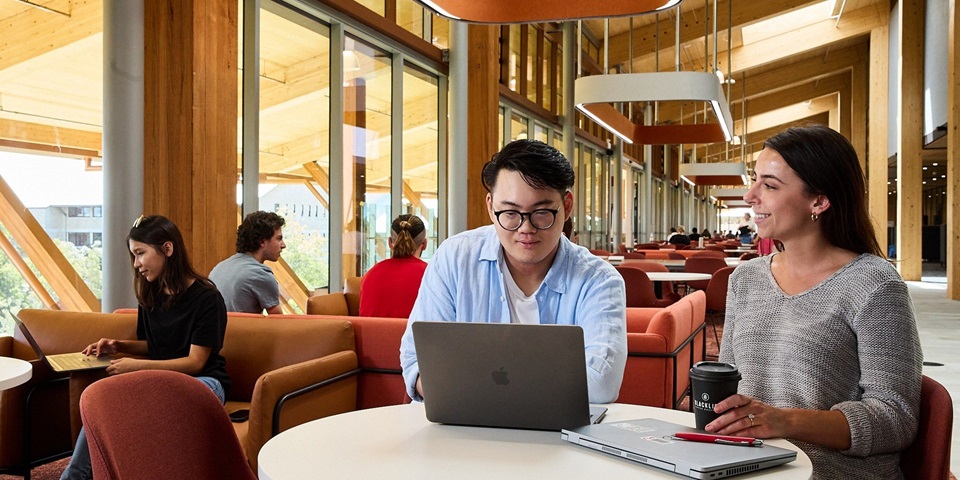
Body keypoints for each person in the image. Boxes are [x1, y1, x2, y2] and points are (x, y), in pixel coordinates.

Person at [712, 125, 922, 479]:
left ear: (819, 201)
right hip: (748, 467)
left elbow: (895, 418)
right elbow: (729, 385)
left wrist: (784, 421)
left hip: (830, 472)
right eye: (754, 180)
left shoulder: (874, 285)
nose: (750, 196)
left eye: (770, 185)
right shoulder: (744, 279)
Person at [399, 139, 627, 404]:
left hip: (558, 438)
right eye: (510, 212)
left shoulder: (599, 281)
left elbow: (601, 384)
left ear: (566, 207)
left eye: (541, 212)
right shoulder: (455, 259)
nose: (525, 228)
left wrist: (468, 383)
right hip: (462, 433)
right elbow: (416, 359)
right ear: (490, 207)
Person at [60, 215, 230, 480]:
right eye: (134, 256)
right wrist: (118, 346)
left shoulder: (207, 298)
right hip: (159, 379)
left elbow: (195, 362)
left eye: (141, 253)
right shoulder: (151, 294)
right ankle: (74, 477)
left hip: (204, 383)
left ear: (168, 249)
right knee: (101, 399)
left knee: (142, 405)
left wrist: (136, 367)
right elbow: (156, 347)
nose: (137, 264)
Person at [209, 211, 285, 314]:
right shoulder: (261, 274)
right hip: (236, 330)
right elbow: (280, 323)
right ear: (262, 242)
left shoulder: (220, 267)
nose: (283, 245)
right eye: (279, 239)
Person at [359, 214, 429, 318]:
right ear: (424, 244)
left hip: (370, 334)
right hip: (416, 334)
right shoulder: (430, 274)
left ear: (390, 242)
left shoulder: (371, 273)